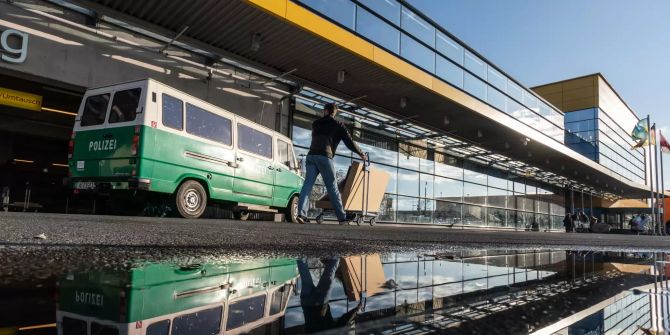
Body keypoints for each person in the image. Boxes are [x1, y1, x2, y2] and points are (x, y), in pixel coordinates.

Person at [297, 103, 366, 225]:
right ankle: (342, 217)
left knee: (307, 185)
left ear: (325, 111)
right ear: (334, 113)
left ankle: (301, 214)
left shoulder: (316, 124)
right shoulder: (338, 125)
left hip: (311, 156)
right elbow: (349, 142)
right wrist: (361, 153)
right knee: (332, 187)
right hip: (325, 157)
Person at [297, 258, 360, 333]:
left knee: (329, 273)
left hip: (320, 304)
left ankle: (337, 252)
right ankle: (299, 253)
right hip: (306, 304)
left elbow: (343, 322)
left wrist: (356, 310)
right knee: (304, 272)